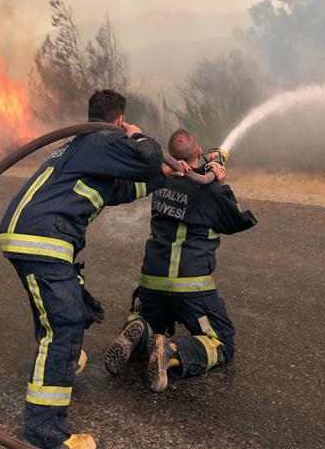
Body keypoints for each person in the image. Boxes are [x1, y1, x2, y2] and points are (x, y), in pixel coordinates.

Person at [0, 89, 165, 449]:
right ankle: (46, 433)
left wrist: (166, 175)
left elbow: (122, 187)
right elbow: (147, 159)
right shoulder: (104, 138)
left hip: (33, 235)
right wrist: (137, 135)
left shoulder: (86, 145)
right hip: (41, 238)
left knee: (70, 309)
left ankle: (65, 360)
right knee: (63, 325)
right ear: (118, 119)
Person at [103, 128, 257, 393]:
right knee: (222, 341)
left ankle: (141, 328)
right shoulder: (209, 190)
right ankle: (172, 350)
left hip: (151, 284)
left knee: (154, 320)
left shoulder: (161, 182)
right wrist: (221, 184)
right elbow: (235, 222)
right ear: (199, 154)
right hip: (190, 289)